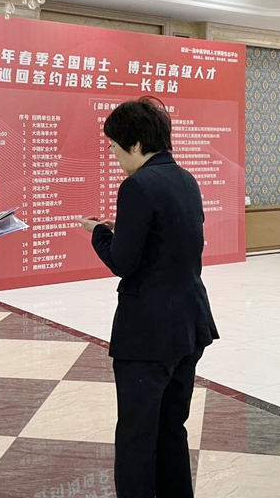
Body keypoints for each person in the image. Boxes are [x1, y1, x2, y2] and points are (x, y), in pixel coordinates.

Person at [76, 97, 218, 497]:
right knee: (171, 427)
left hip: (148, 333)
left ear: (136, 144)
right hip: (189, 324)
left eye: (115, 147)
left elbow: (124, 262)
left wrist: (99, 233)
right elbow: (168, 242)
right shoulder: (185, 179)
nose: (114, 155)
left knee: (137, 437)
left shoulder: (137, 185)